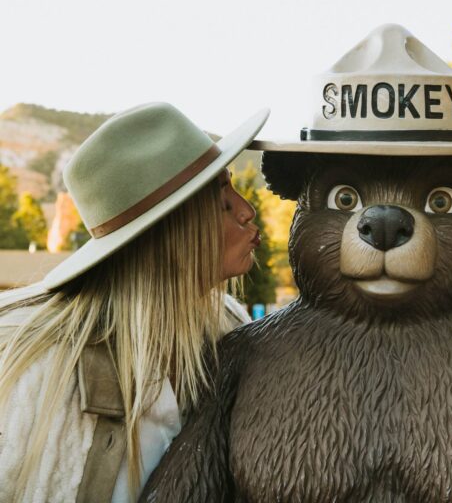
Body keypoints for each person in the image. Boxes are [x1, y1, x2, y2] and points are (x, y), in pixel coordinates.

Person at [0, 102, 269, 502]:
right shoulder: (41, 378)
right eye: (222, 199)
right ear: (173, 230)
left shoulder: (228, 329)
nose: (247, 211)